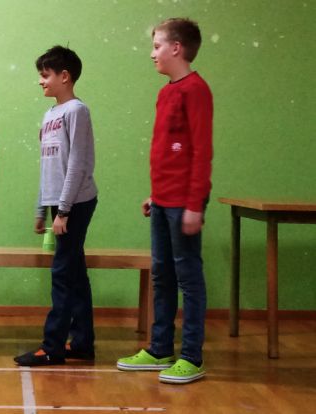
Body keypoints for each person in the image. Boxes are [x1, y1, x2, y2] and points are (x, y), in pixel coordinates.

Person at [117, 18, 213, 384]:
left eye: (157, 46)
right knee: (162, 274)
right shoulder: (166, 93)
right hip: (163, 201)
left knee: (189, 277)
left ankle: (192, 356)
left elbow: (201, 151)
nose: (152, 53)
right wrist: (155, 196)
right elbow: (170, 152)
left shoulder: (196, 90)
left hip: (184, 204)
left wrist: (194, 204)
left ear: (176, 48)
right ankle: (160, 349)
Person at [14, 46, 98, 366]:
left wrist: (63, 211)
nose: (41, 81)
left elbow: (77, 163)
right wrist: (42, 208)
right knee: (74, 273)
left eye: (45, 75)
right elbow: (48, 166)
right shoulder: (50, 114)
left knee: (62, 273)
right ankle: (83, 343)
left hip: (76, 202)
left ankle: (53, 346)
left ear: (65, 76)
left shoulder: (77, 111)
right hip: (59, 203)